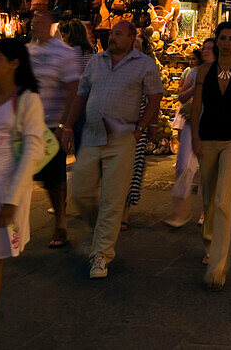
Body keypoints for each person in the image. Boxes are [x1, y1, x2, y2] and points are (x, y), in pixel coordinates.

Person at [66, 19, 163, 279]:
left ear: (131, 38)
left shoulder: (144, 64)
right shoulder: (97, 61)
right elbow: (81, 94)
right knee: (79, 190)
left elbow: (155, 96)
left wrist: (141, 129)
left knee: (112, 198)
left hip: (122, 139)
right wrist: (67, 127)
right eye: (111, 33)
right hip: (91, 135)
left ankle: (101, 254)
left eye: (118, 34)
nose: (113, 37)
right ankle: (99, 231)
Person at [0, 38, 46, 346]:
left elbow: (31, 151)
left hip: (0, 195)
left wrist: (11, 201)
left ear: (14, 63)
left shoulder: (27, 101)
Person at [191, 21, 231, 289]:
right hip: (207, 138)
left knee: (222, 201)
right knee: (208, 201)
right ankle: (209, 245)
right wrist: (194, 137)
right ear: (217, 42)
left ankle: (218, 266)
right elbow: (196, 108)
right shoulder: (204, 70)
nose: (226, 42)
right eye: (222, 38)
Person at [27, 9, 80, 248]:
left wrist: (65, 125)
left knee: (55, 178)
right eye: (34, 20)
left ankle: (61, 222)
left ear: (50, 23)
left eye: (41, 20)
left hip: (52, 123)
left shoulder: (63, 53)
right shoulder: (28, 51)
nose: (36, 24)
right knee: (26, 175)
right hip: (30, 124)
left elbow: (72, 89)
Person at [166, 38, 214, 227]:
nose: (206, 51)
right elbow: (182, 95)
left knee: (208, 170)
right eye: (204, 48)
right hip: (191, 122)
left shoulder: (222, 72)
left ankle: (205, 212)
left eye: (211, 48)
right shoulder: (194, 72)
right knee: (184, 166)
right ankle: (180, 212)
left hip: (210, 123)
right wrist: (197, 86)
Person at [121, 33, 160, 229]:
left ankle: (124, 212)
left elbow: (155, 100)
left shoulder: (149, 69)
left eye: (138, 47)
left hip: (139, 128)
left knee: (133, 169)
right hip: (116, 127)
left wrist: (151, 125)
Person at [60, 19, 95, 152]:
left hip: (73, 100)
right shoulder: (92, 51)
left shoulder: (69, 52)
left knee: (70, 135)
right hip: (89, 100)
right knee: (83, 140)